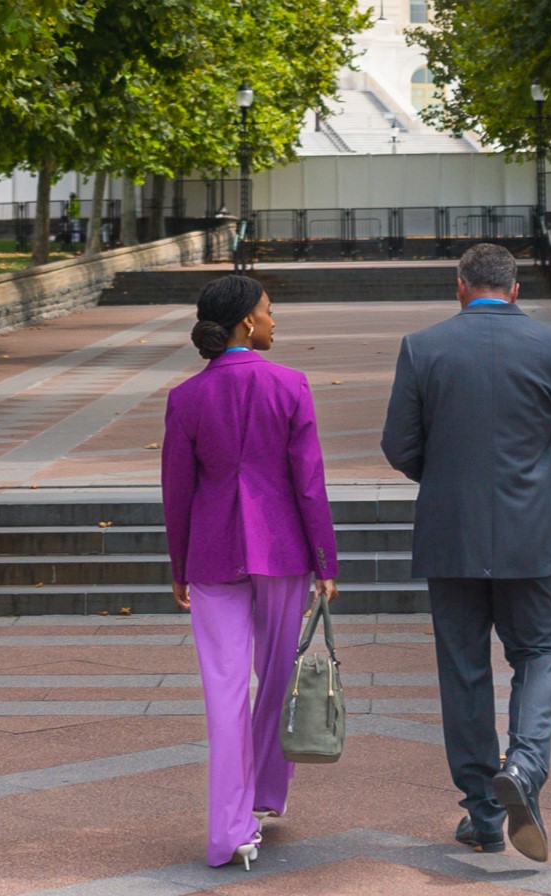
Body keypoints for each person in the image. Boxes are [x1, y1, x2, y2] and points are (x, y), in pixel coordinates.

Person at [381, 243, 551, 862]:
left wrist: (447, 474)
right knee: (537, 652)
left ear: (460, 287)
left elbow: (399, 445)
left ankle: (481, 812)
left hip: (451, 531)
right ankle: (525, 766)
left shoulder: (423, 347)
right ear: (515, 289)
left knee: (464, 666)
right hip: (531, 531)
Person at [161, 274, 339, 871]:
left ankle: (230, 829)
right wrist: (325, 560)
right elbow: (308, 482)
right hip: (283, 550)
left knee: (224, 691)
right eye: (267, 311)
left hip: (211, 553)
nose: (272, 319)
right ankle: (264, 795)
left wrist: (178, 563)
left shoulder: (185, 396)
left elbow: (176, 490)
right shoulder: (289, 384)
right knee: (278, 674)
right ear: (244, 323)